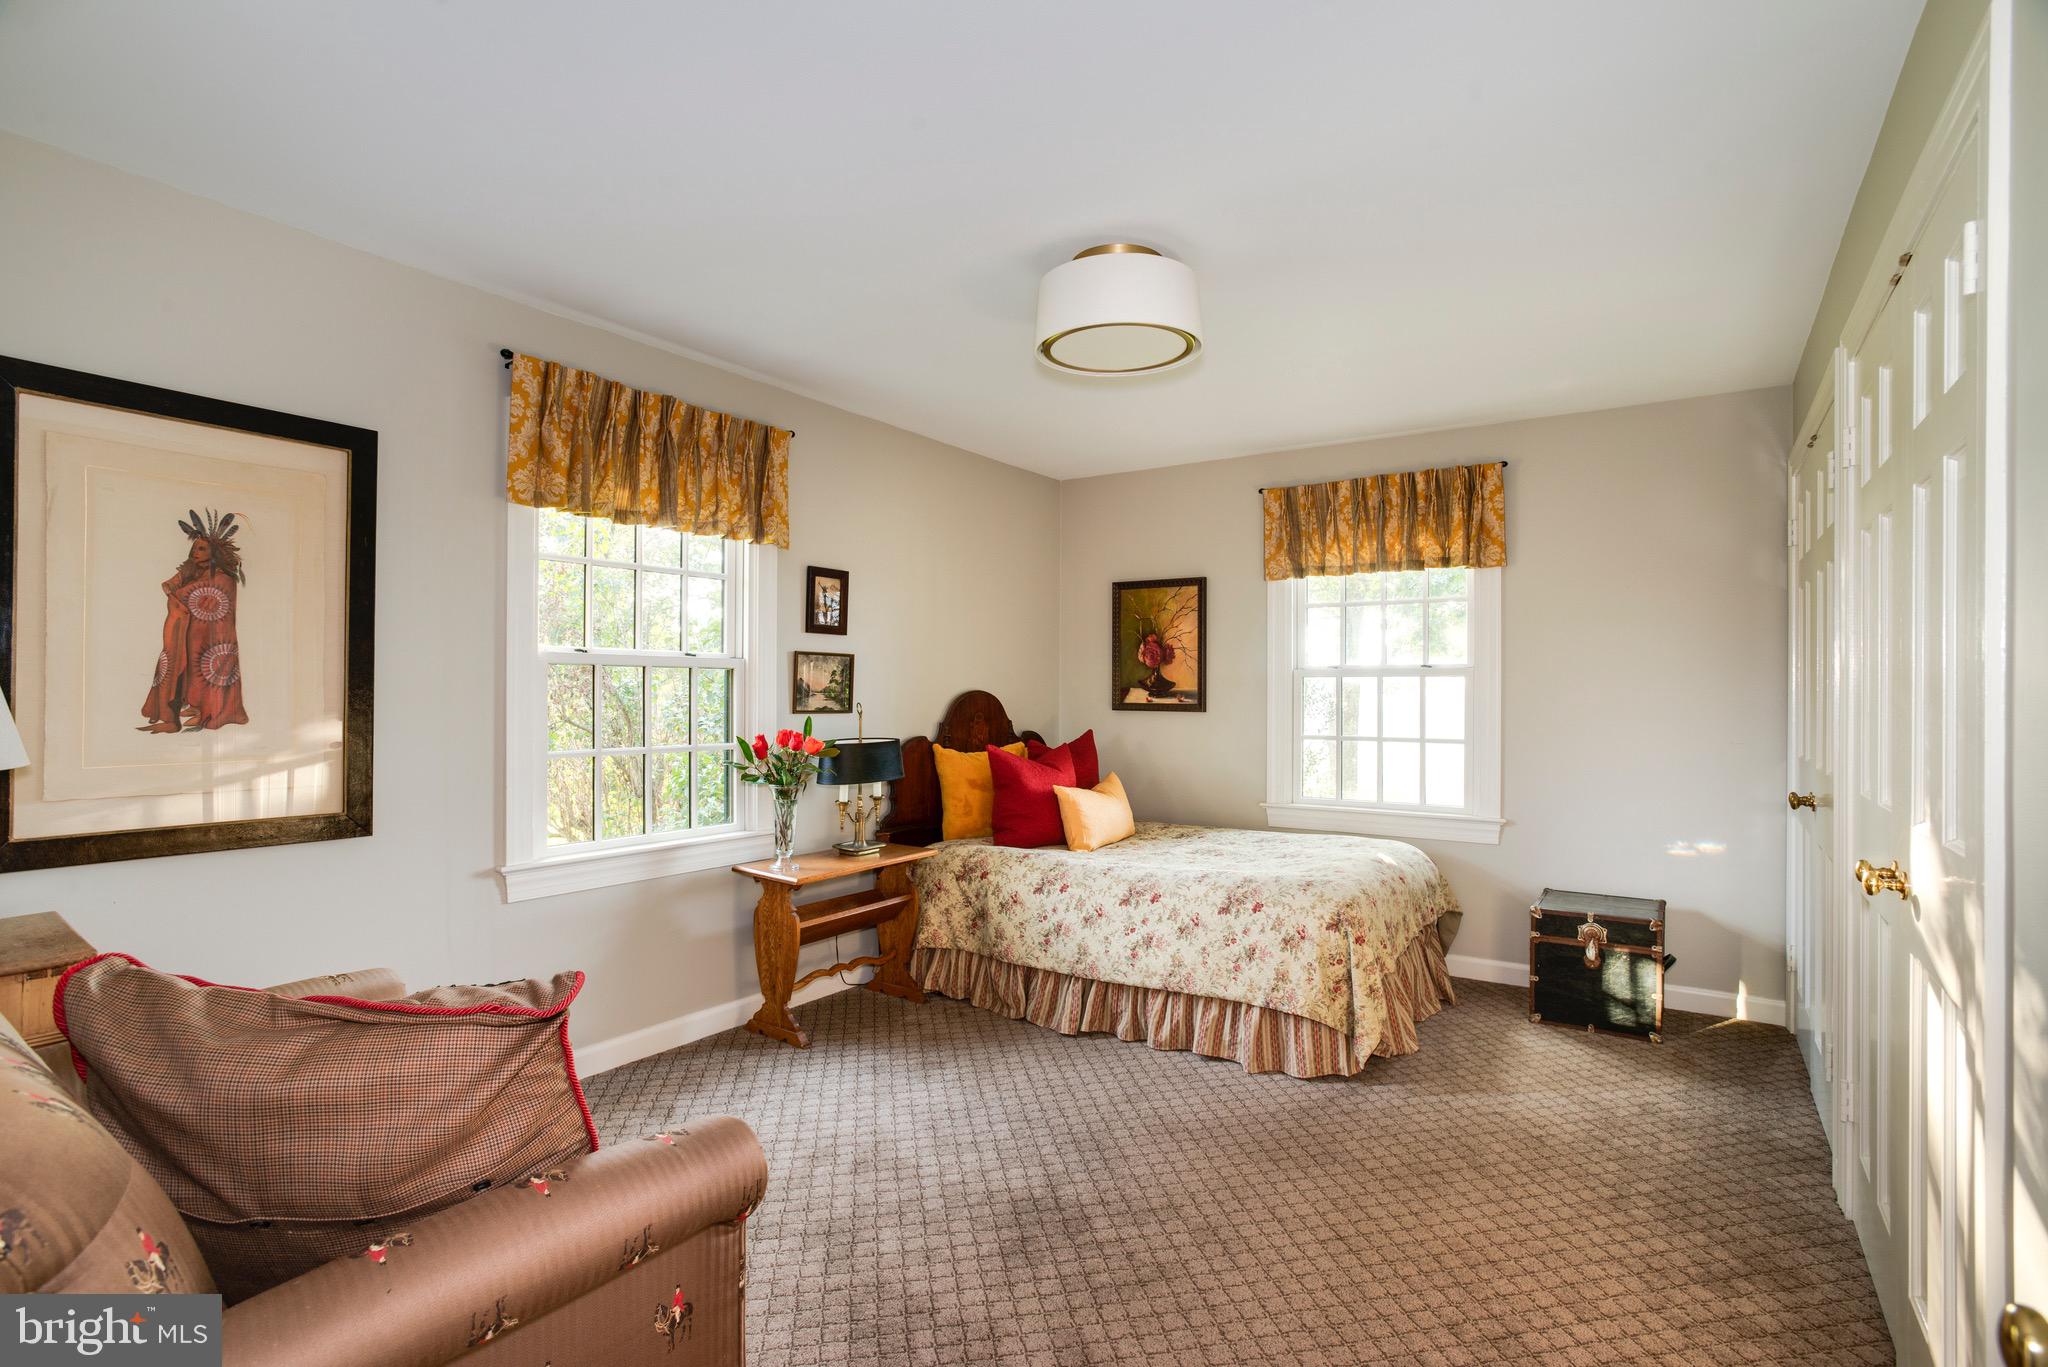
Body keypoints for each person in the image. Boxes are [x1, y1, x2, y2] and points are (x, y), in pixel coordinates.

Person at [139, 508, 248, 733]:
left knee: (205, 668)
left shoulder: (224, 578)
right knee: (183, 667)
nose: (195, 552)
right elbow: (168, 585)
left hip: (210, 637)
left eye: (201, 548)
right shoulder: (191, 570)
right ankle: (192, 707)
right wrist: (178, 589)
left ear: (214, 552)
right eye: (194, 548)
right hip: (188, 631)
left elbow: (188, 593)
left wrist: (179, 593)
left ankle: (211, 710)